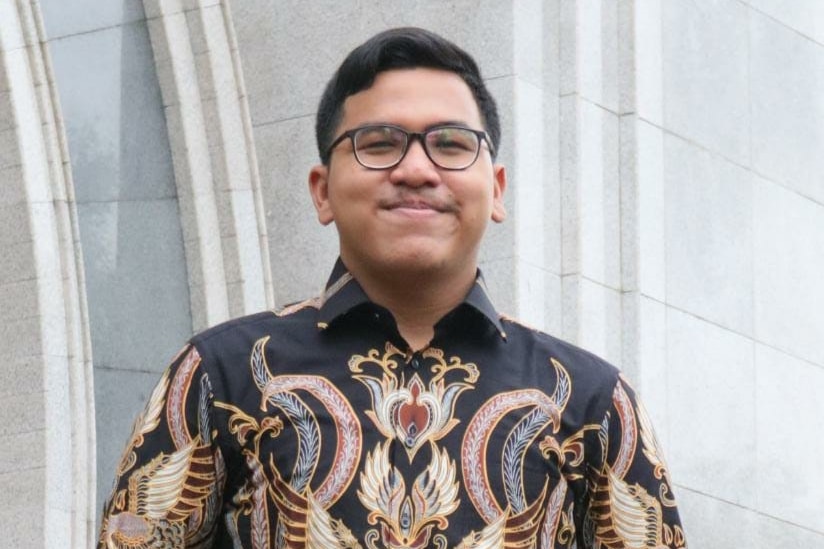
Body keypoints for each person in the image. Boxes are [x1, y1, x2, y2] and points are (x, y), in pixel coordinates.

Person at [98, 27, 687, 549]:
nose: (416, 169)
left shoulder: (590, 400)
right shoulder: (220, 374)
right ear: (322, 190)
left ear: (498, 189)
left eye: (451, 144)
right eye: (379, 143)